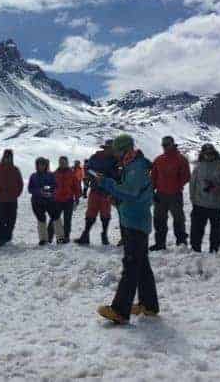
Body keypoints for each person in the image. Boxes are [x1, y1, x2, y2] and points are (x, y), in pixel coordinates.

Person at [96, 134, 159, 325]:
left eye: (116, 150)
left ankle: (120, 310)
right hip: (134, 220)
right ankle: (149, 305)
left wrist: (107, 183)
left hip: (135, 222)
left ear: (124, 150)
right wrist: (117, 197)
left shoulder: (136, 168)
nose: (114, 154)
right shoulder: (132, 166)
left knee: (131, 265)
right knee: (141, 265)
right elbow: (130, 192)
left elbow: (130, 193)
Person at [150, 136, 190, 250]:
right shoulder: (159, 159)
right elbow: (153, 176)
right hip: (160, 195)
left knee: (178, 219)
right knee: (159, 220)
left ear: (173, 144)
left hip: (175, 195)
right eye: (163, 145)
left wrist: (177, 185)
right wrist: (152, 191)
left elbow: (186, 176)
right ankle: (160, 243)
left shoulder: (181, 159)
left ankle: (181, 242)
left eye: (167, 145)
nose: (165, 147)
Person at [189, 144, 220, 253]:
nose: (208, 155)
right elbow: (192, 184)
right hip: (199, 204)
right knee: (196, 229)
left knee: (216, 230)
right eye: (206, 153)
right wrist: (193, 199)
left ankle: (214, 250)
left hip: (216, 204)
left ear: (214, 153)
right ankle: (195, 249)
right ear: (203, 154)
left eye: (211, 153)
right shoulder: (198, 166)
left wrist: (219, 189)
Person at [75, 140, 119, 246]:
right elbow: (87, 168)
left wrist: (107, 176)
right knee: (91, 212)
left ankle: (104, 235)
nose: (110, 150)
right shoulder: (95, 157)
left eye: (112, 149)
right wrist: (94, 174)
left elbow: (117, 175)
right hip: (95, 189)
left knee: (105, 214)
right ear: (105, 148)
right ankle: (85, 234)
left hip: (107, 191)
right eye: (108, 148)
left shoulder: (116, 160)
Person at [0, 149, 23, 247]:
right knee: (1, 219)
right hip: (2, 200)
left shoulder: (15, 169)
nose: (7, 159)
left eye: (9, 157)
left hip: (13, 199)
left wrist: (17, 194)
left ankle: (7, 238)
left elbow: (20, 183)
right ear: (3, 157)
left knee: (11, 219)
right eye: (6, 157)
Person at [28, 158, 63, 245]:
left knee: (56, 217)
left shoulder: (51, 175)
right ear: (37, 165)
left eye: (43, 164)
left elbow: (56, 186)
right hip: (37, 201)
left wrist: (51, 192)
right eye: (39, 164)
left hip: (50, 201)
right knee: (41, 219)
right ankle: (43, 239)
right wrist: (40, 192)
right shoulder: (33, 176)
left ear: (46, 165)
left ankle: (60, 238)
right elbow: (30, 189)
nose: (41, 166)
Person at [49, 156, 81, 242]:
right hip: (57, 200)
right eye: (61, 162)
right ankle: (49, 237)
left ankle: (66, 237)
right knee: (54, 219)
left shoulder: (72, 174)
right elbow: (50, 187)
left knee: (67, 220)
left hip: (68, 200)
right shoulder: (54, 174)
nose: (62, 164)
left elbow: (76, 187)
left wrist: (77, 198)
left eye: (64, 162)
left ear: (67, 163)